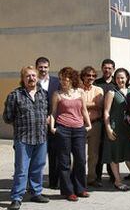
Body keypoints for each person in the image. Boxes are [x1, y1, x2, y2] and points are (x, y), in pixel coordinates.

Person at [3, 66, 50, 210]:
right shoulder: (15, 95)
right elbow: (7, 117)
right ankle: (16, 197)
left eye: (33, 76)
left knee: (38, 168)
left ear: (37, 77)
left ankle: (36, 192)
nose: (31, 78)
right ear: (23, 78)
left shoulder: (43, 93)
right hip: (23, 138)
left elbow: (47, 112)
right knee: (22, 170)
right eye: (28, 76)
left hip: (41, 137)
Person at [50, 67, 92, 201]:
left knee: (80, 159)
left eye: (65, 79)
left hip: (79, 129)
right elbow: (53, 112)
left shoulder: (80, 92)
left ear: (71, 79)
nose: (63, 82)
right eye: (61, 79)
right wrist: (52, 127)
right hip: (63, 129)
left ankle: (80, 188)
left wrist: (88, 124)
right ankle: (68, 191)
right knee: (64, 162)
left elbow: (84, 110)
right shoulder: (57, 94)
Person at [102, 68, 130, 191]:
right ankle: (118, 181)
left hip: (127, 129)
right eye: (118, 77)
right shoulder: (112, 92)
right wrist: (108, 128)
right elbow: (106, 112)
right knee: (115, 155)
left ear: (127, 78)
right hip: (115, 127)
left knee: (129, 154)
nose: (120, 80)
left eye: (122, 77)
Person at [35, 57, 60, 189]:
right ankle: (34, 183)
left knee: (54, 154)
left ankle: (54, 183)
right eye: (40, 67)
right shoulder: (32, 81)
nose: (43, 69)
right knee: (38, 156)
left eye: (45, 67)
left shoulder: (56, 82)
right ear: (36, 67)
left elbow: (60, 101)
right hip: (36, 125)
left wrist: (52, 117)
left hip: (53, 122)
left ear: (49, 68)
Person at [80, 66, 104, 187]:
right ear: (83, 76)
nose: (90, 78)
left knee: (93, 154)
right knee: (79, 154)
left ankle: (91, 178)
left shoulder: (98, 89)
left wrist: (83, 104)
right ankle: (78, 178)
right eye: (88, 75)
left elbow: (99, 104)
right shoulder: (77, 89)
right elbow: (77, 105)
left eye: (93, 76)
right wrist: (90, 104)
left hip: (95, 124)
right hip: (80, 125)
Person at [94, 59, 116, 185]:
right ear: (102, 68)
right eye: (105, 68)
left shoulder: (116, 83)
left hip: (112, 122)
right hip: (99, 121)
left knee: (111, 148)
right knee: (98, 149)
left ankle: (113, 174)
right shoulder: (97, 84)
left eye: (109, 68)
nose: (107, 70)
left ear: (113, 69)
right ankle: (97, 177)